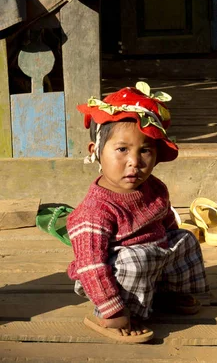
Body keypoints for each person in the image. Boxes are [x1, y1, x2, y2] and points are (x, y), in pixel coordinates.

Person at [66, 82, 209, 343]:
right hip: (108, 276)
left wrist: (171, 243)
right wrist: (112, 309)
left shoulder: (154, 188)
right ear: (95, 151)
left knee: (185, 240)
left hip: (154, 256)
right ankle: (114, 314)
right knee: (136, 261)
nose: (135, 162)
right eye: (122, 149)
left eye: (145, 150)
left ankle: (165, 293)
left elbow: (164, 219)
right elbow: (91, 266)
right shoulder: (95, 211)